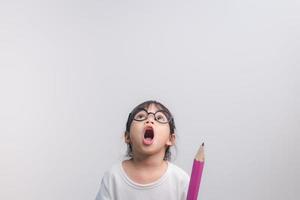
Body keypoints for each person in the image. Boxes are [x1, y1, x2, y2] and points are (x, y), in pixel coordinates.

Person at [95, 100, 190, 200]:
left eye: (159, 118)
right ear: (127, 136)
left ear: (170, 139)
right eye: (141, 116)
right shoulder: (113, 178)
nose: (149, 120)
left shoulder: (180, 180)